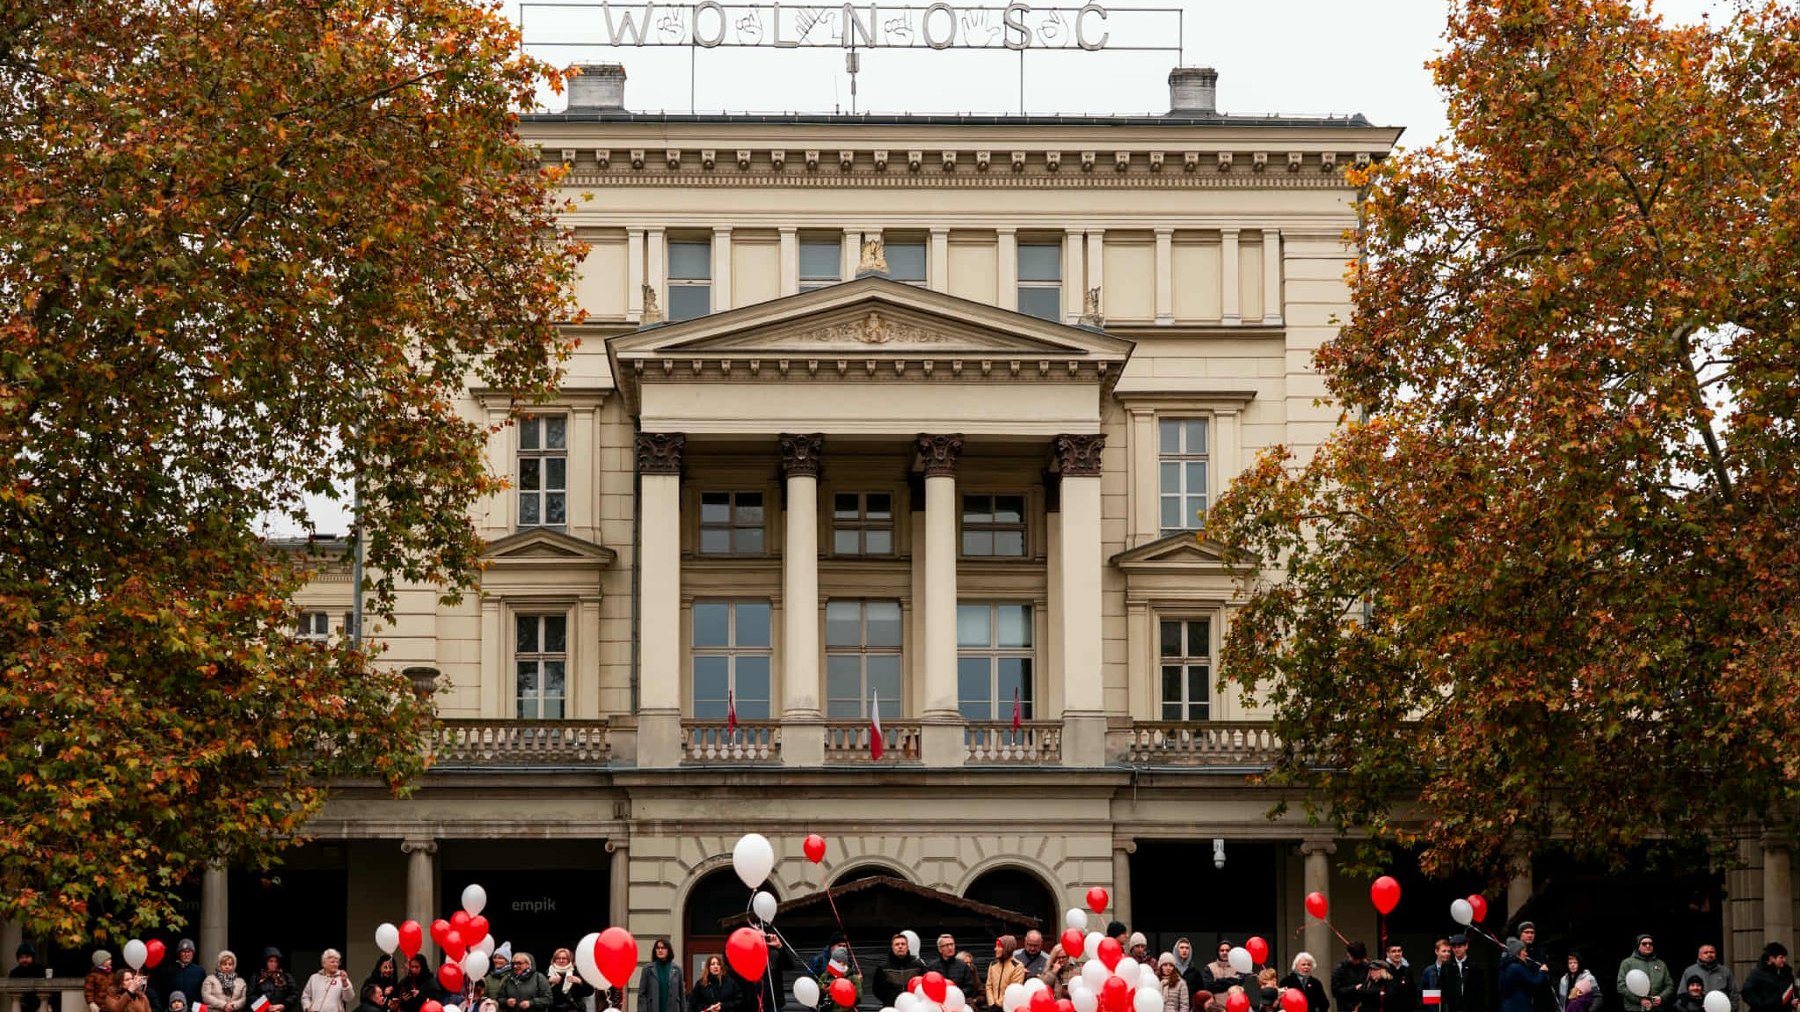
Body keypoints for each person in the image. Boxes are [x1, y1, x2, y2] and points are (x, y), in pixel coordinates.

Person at [1618, 936, 1674, 1012]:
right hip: (1635, 1008)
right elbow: (1621, 986)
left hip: (1657, 1008)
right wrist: (1639, 1000)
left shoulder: (1661, 964)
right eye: (1644, 944)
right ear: (1638, 946)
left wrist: (1661, 997)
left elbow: (1669, 985)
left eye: (1650, 944)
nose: (1648, 946)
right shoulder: (1627, 963)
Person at [874, 934, 927, 1008]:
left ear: (907, 947)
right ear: (892, 947)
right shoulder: (883, 968)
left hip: (913, 1007)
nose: (900, 946)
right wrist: (889, 1000)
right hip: (891, 1008)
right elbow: (877, 990)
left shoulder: (918, 966)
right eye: (897, 944)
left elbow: (925, 986)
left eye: (903, 944)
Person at [1680, 945, 1738, 1012]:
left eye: (1712, 952)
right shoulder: (1690, 971)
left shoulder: (1725, 971)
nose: (1709, 954)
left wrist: (1732, 1009)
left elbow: (1734, 994)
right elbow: (1682, 994)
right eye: (1705, 952)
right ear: (1699, 955)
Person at [1741, 944, 1796, 1012]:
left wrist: (1794, 1002)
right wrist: (1762, 1005)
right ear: (1771, 958)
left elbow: (1792, 993)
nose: (1784, 960)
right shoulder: (1758, 973)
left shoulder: (1788, 974)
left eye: (1785, 957)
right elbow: (1747, 992)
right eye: (1781, 957)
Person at [1333, 943, 1384, 1012]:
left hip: (1366, 1007)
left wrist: (1363, 989)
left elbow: (1376, 988)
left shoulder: (1368, 968)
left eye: (1359, 959)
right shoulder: (1341, 969)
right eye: (1355, 959)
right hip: (1347, 1007)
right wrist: (1354, 988)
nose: (1357, 961)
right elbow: (1335, 991)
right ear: (1348, 955)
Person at [1498, 941, 1548, 1012]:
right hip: (1519, 1007)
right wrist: (1542, 971)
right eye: (1524, 951)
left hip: (1507, 1007)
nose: (1526, 954)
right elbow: (1535, 982)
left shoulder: (1505, 967)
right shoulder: (1516, 967)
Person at [637, 940, 683, 1012]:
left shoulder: (677, 969)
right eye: (658, 948)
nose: (660, 950)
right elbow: (642, 995)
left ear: (669, 950)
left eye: (663, 948)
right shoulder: (648, 969)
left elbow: (681, 995)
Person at [1447, 935, 1490, 1012]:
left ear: (1466, 946)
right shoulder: (1447, 966)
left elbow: (1481, 991)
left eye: (1459, 946)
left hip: (1471, 1008)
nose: (1456, 949)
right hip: (1453, 1008)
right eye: (1454, 947)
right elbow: (1444, 989)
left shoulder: (1475, 966)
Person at [544, 948, 593, 1012]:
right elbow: (537, 992)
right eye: (558, 958)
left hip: (573, 1009)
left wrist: (580, 982)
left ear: (569, 960)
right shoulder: (548, 973)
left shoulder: (576, 972)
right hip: (554, 1009)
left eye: (564, 958)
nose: (561, 960)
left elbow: (590, 992)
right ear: (554, 960)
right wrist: (548, 981)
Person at [932, 935, 978, 1001]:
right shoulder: (932, 966)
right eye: (947, 945)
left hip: (959, 1002)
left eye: (952, 944)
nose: (950, 947)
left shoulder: (963, 965)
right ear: (940, 949)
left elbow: (970, 987)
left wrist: (957, 993)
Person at [164, 943, 206, 1012]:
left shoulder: (200, 971)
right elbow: (165, 991)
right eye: (184, 952)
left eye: (189, 951)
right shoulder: (170, 970)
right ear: (179, 953)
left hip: (194, 1009)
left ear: (193, 953)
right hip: (175, 1009)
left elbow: (203, 993)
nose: (186, 954)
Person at [987, 937, 1026, 1012]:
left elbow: (1014, 989)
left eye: (999, 946)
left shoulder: (1017, 966)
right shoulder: (992, 965)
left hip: (1008, 1008)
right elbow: (989, 986)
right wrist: (991, 1004)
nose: (995, 949)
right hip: (992, 1009)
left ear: (1007, 949)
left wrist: (998, 1004)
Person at [10, 943, 51, 1012]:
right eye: (21, 957)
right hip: (22, 1006)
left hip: (39, 1005)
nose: (24, 960)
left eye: (27, 957)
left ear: (32, 957)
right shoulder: (14, 973)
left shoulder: (40, 970)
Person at [1382, 944, 1415, 1012]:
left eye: (1399, 951)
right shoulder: (1383, 969)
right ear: (1388, 954)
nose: (1397, 953)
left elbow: (1412, 991)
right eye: (1393, 951)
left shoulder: (1407, 970)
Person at [1422, 940, 1453, 1012]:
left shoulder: (1454, 970)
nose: (1447, 954)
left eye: (1449, 951)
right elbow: (1422, 992)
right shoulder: (1428, 971)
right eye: (1444, 951)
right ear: (1436, 951)